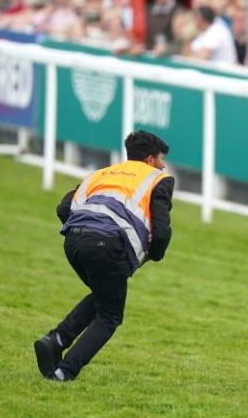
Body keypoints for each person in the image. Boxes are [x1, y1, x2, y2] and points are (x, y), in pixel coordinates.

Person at [34, 131, 174, 381]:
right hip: (106, 245)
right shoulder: (157, 178)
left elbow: (63, 209)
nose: (163, 165)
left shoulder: (101, 173)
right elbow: (162, 233)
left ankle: (55, 340)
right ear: (151, 160)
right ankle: (64, 372)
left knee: (104, 294)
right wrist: (153, 255)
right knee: (110, 315)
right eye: (161, 159)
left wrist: (84, 232)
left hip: (73, 243)